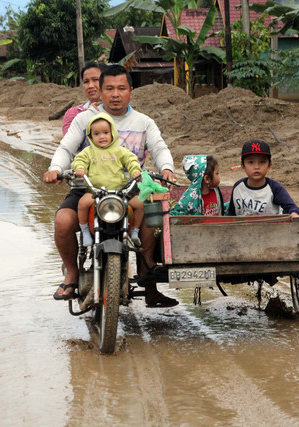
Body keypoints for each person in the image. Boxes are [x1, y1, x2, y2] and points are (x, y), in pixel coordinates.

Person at [43, 64, 178, 307]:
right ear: (100, 91)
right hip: (89, 189)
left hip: (130, 188)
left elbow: (159, 148)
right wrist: (55, 168)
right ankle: (72, 273)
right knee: (63, 221)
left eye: (121, 88)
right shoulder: (84, 119)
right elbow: (66, 147)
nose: (116, 94)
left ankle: (149, 282)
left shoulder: (144, 122)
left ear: (131, 91)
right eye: (110, 88)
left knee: (152, 218)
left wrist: (167, 167)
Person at [71, 112, 143, 250]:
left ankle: (135, 231)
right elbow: (79, 160)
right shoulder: (88, 151)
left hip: (121, 191)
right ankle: (85, 231)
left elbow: (131, 159)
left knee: (140, 204)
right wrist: (80, 168)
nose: (102, 136)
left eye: (105, 132)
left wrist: (135, 171)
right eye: (96, 134)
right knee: (82, 204)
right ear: (91, 136)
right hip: (96, 191)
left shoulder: (120, 150)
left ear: (113, 133)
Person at [227, 140, 299, 219]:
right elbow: (231, 213)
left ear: (269, 166)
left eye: (262, 162)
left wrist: (294, 214)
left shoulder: (274, 188)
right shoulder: (238, 187)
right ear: (243, 166)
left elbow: (291, 206)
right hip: (243, 228)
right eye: (251, 162)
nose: (256, 167)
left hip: (272, 228)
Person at [62, 62, 103, 135]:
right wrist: (87, 117)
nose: (90, 86)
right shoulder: (73, 114)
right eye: (86, 81)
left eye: (95, 79)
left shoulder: (118, 111)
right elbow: (70, 143)